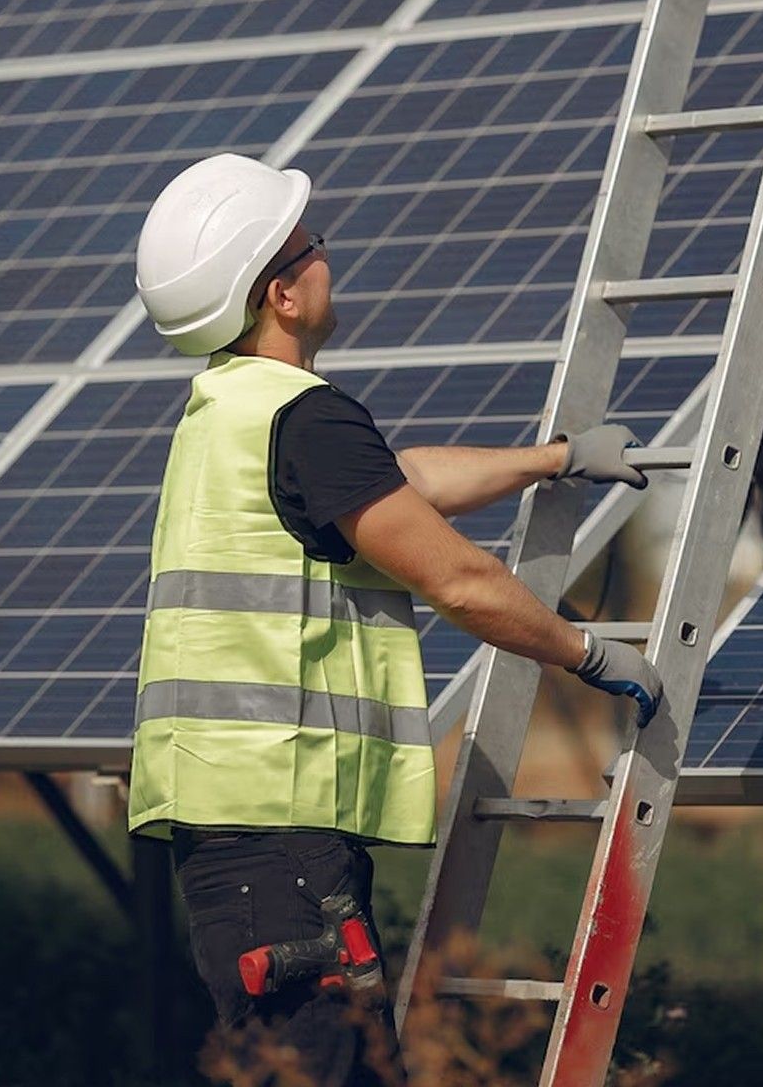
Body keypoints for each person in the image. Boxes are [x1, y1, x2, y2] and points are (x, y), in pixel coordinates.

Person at [127, 153, 664, 1086]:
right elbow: (458, 580)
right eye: (311, 247)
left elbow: (399, 482)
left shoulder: (227, 413)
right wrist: (586, 654)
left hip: (243, 830)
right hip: (282, 833)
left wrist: (552, 459)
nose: (326, 258)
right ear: (281, 293)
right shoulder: (303, 419)